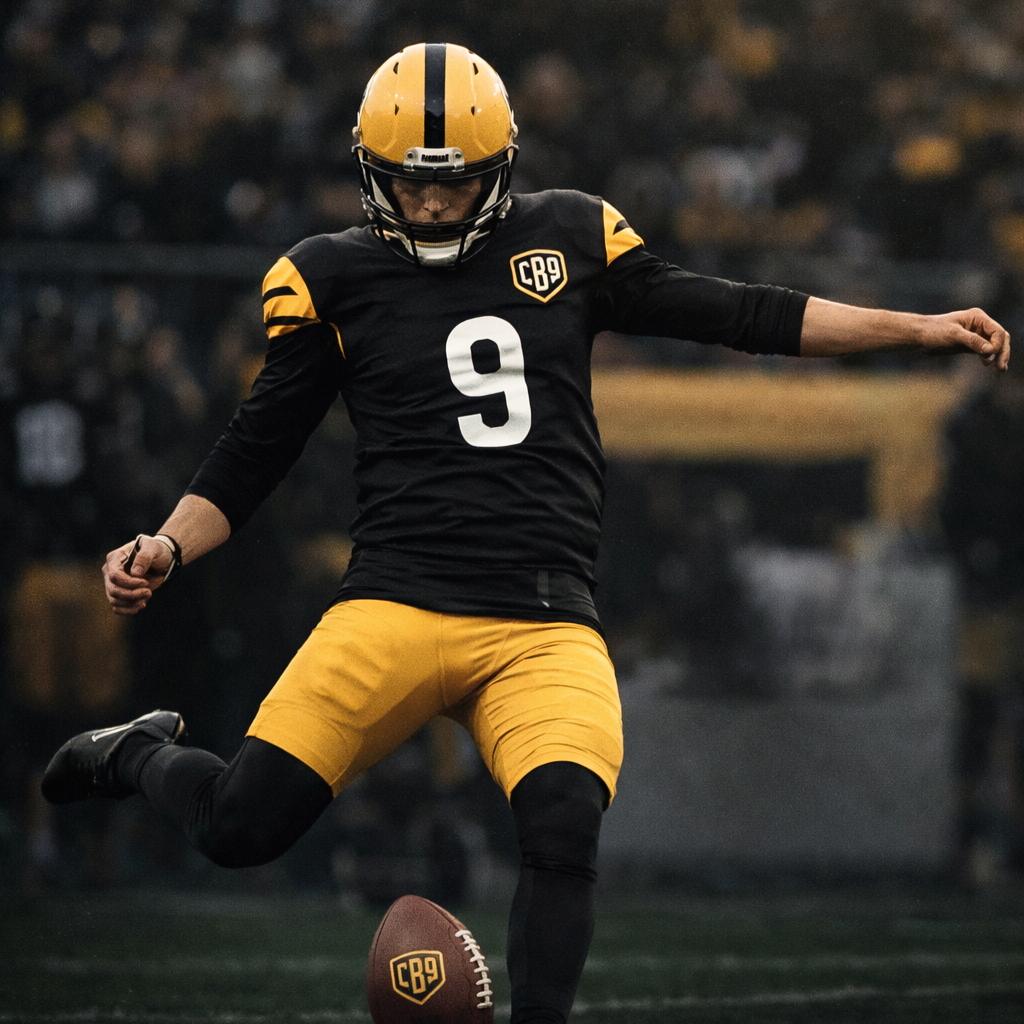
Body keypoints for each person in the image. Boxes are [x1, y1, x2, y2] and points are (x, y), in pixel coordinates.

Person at [41, 43, 1010, 1024]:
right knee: (241, 827)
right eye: (406, 186)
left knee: (562, 822)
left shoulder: (571, 236)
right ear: (369, 175)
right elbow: (258, 447)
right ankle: (131, 754)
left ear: (498, 165)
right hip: (394, 600)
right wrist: (166, 543)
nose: (427, 206)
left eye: (451, 183)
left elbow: (739, 313)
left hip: (542, 615)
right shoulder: (329, 275)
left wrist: (913, 328)